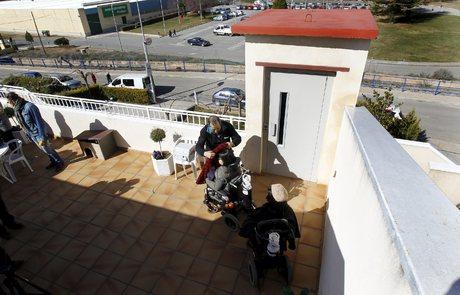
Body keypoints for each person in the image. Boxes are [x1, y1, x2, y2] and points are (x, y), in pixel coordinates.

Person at [6, 92, 64, 172]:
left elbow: (39, 122)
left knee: (48, 149)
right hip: (31, 134)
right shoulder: (17, 109)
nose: (9, 104)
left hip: (39, 133)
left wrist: (42, 137)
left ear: (12, 100)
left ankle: (59, 162)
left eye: (8, 102)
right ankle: (53, 161)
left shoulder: (30, 107)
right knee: (44, 149)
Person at [239, 183, 300, 251]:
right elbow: (291, 230)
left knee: (249, 222)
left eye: (269, 195)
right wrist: (291, 244)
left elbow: (254, 216)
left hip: (263, 235)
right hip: (279, 239)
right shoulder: (288, 211)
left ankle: (253, 242)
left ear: (273, 199)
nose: (266, 197)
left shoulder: (266, 210)